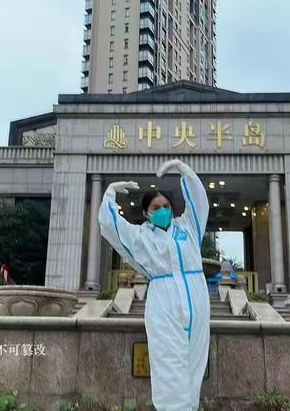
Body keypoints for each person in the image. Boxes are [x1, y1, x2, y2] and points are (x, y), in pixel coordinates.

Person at [98, 159, 210, 411]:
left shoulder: (188, 227)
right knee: (169, 371)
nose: (163, 209)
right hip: (164, 304)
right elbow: (111, 227)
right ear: (147, 213)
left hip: (197, 299)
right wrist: (109, 194)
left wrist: (185, 172)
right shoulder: (141, 237)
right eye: (156, 207)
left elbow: (199, 203)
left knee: (193, 370)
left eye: (166, 205)